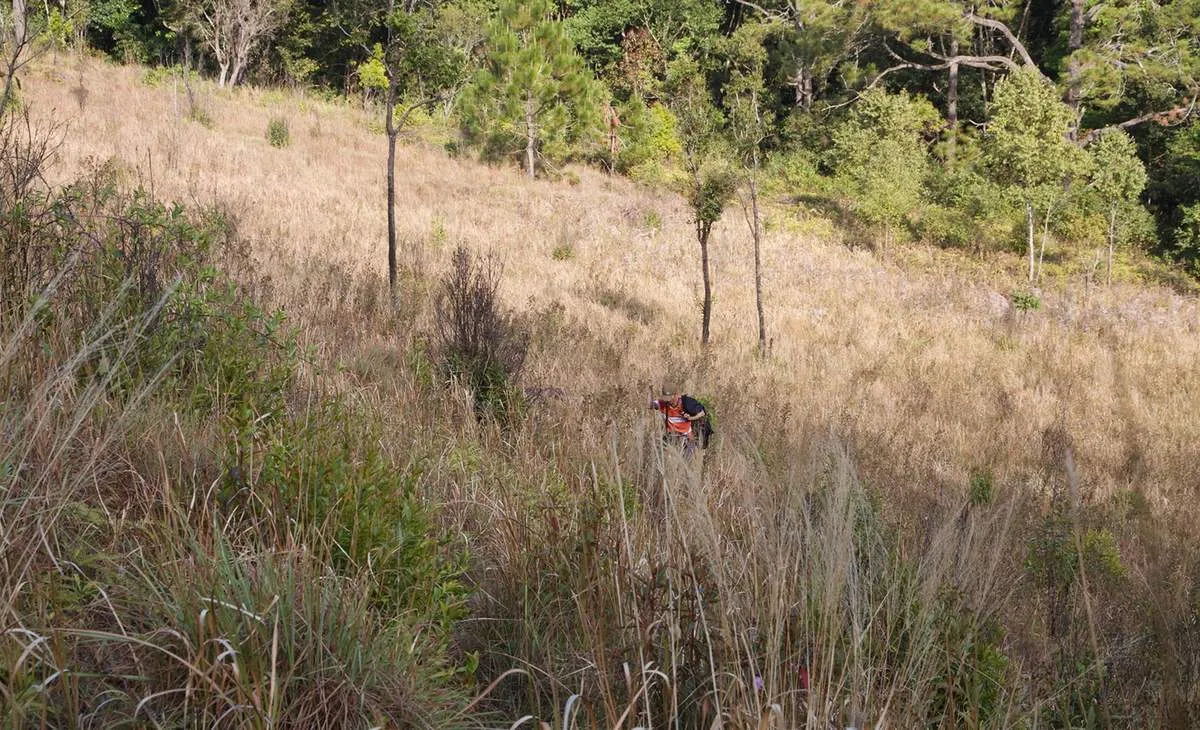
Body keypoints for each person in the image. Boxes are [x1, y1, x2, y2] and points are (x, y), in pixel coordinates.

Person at [650, 387, 707, 455]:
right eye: (666, 399)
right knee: (657, 452)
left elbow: (702, 412)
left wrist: (691, 418)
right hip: (671, 437)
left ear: (676, 395)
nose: (668, 401)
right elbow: (649, 404)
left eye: (670, 399)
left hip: (686, 438)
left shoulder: (687, 403)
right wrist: (650, 391)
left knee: (686, 461)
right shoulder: (663, 404)